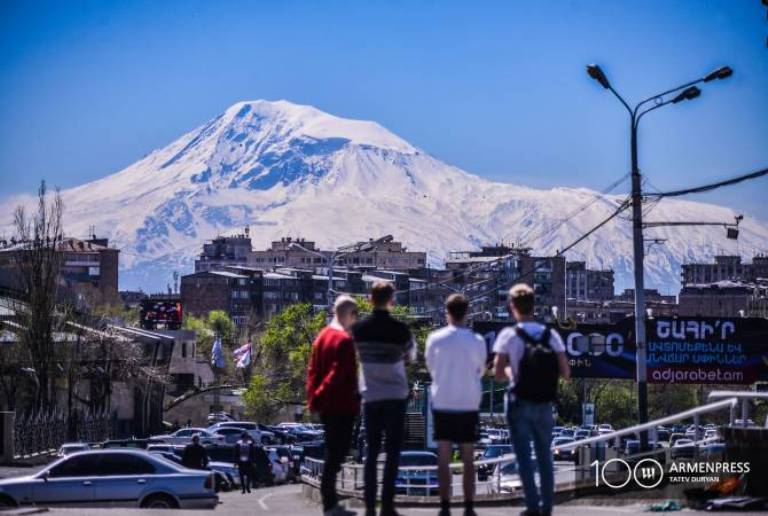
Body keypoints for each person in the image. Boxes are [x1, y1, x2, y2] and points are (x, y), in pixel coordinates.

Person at [493, 284, 571, 516]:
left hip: (519, 401)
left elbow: (498, 374)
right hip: (545, 403)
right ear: (533, 307)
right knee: (545, 456)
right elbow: (566, 372)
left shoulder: (508, 335)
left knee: (523, 457)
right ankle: (547, 507)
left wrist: (512, 373)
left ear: (512, 307)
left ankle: (532, 506)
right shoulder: (551, 335)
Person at [352, 281, 416, 516]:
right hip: (396, 395)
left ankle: (370, 505)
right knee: (393, 452)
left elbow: (355, 355)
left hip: (371, 396)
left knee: (371, 451)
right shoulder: (401, 330)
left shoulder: (359, 330)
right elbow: (410, 357)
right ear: (393, 300)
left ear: (370, 299)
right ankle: (387, 505)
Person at [425, 294, 487, 516]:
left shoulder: (435, 339)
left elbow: (431, 367)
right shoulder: (477, 341)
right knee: (468, 458)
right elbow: (480, 369)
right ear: (467, 312)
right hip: (468, 402)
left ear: (447, 312)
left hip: (443, 401)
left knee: (443, 457)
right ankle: (469, 506)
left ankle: (445, 506)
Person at [307, 295, 361, 516]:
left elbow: (313, 371)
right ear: (349, 315)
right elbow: (338, 373)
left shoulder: (322, 337)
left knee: (333, 452)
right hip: (341, 405)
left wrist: (313, 397)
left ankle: (330, 502)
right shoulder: (344, 340)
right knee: (337, 453)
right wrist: (322, 393)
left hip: (326, 406)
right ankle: (330, 503)